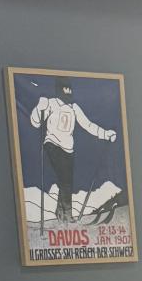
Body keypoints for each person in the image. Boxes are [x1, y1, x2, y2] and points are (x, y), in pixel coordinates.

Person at [29, 79, 117, 222]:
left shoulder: (74, 108)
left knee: (66, 181)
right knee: (64, 178)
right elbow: (35, 122)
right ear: (59, 90)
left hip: (68, 149)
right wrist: (39, 108)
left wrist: (105, 134)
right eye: (65, 89)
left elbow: (88, 125)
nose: (68, 92)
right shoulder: (51, 103)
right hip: (52, 144)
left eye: (69, 89)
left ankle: (60, 212)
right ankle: (67, 214)